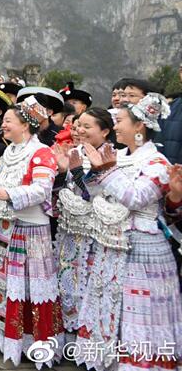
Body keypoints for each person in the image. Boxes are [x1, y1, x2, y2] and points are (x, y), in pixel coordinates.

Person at [73, 94, 181, 370]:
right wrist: (81, 173)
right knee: (108, 306)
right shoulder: (118, 156)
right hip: (110, 243)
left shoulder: (157, 163)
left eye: (119, 121)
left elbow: (134, 198)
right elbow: (92, 194)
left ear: (140, 127)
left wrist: (106, 172)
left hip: (143, 248)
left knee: (138, 313)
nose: (115, 126)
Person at [0, 98, 63, 368]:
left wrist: (7, 194)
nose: (3, 124)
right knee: (6, 285)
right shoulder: (10, 152)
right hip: (5, 228)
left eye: (8, 120)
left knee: (30, 288)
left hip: (29, 230)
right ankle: (9, 341)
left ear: (25, 125)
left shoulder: (42, 153)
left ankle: (33, 343)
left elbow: (42, 190)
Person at [51, 107, 113, 336]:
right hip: (70, 230)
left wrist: (76, 173)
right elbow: (58, 189)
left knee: (89, 285)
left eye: (88, 127)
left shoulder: (111, 155)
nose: (80, 131)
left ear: (105, 131)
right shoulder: (75, 151)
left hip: (95, 233)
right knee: (67, 280)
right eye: (78, 126)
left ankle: (87, 339)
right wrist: (61, 171)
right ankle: (67, 336)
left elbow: (93, 194)